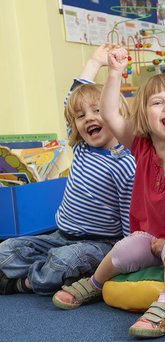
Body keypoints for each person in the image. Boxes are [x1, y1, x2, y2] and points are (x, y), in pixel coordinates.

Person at [51, 45, 165, 339]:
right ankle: (94, 283)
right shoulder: (142, 148)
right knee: (127, 246)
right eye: (158, 103)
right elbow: (108, 112)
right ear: (143, 116)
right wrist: (114, 72)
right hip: (153, 238)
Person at [0, 44, 135, 296]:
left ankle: (23, 283)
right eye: (81, 117)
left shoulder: (124, 163)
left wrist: (126, 256)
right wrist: (94, 62)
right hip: (60, 234)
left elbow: (130, 214)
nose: (88, 119)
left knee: (63, 262)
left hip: (99, 243)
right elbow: (70, 101)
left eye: (98, 111)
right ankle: (42, 269)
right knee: (5, 249)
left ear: (116, 115)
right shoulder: (82, 147)